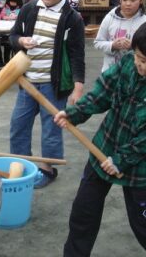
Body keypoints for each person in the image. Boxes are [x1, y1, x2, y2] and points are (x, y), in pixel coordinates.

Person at [54, 22, 146, 256]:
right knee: (83, 212)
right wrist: (75, 113)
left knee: (143, 226)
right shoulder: (127, 64)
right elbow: (102, 93)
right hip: (105, 148)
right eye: (139, 58)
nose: (141, 66)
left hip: (140, 166)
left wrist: (121, 160)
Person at [9, 0, 85, 188]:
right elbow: (13, 36)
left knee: (51, 128)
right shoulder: (29, 9)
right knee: (18, 124)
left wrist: (78, 87)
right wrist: (21, 41)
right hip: (27, 82)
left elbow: (77, 54)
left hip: (53, 84)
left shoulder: (72, 18)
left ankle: (47, 169)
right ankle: (22, 166)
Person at [94, 0, 146, 72]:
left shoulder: (144, 21)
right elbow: (98, 42)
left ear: (141, 0)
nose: (128, 4)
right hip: (110, 72)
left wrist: (133, 46)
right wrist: (112, 45)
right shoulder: (110, 18)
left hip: (134, 73)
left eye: (133, 0)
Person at [0, 0, 23, 64]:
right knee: (7, 49)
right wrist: (6, 17)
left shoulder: (21, 9)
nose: (12, 3)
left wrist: (16, 17)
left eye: (14, 2)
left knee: (17, 49)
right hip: (6, 33)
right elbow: (2, 16)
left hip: (16, 33)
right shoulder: (5, 8)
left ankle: (16, 64)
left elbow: (22, 18)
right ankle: (6, 63)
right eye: (11, 1)